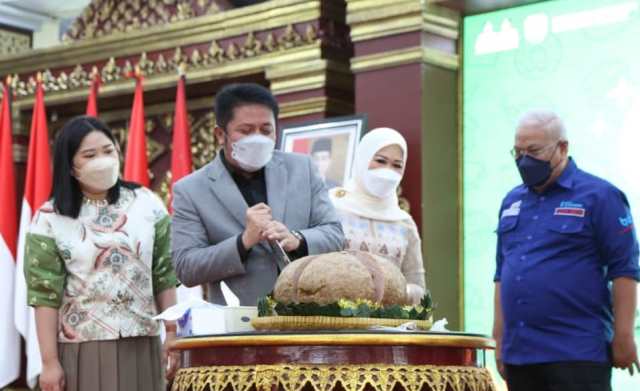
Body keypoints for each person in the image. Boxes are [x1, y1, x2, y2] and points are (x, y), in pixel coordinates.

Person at [24, 116, 180, 391]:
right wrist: (49, 362)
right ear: (71, 167)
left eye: (108, 151)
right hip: (82, 346)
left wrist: (171, 334)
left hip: (142, 341)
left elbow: (164, 274)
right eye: (90, 154)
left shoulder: (147, 203)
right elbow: (45, 296)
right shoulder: (49, 217)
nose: (103, 160)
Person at [493, 110, 640, 391]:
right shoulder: (512, 201)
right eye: (518, 151)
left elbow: (625, 270)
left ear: (562, 148)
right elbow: (502, 274)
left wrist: (624, 336)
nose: (524, 160)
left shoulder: (601, 196)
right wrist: (499, 339)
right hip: (521, 354)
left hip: (577, 352)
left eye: (534, 150)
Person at [171, 83, 344, 306]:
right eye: (245, 131)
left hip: (308, 314)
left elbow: (335, 234)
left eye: (266, 130)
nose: (258, 138)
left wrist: (297, 239)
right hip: (239, 324)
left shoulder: (302, 169)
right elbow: (186, 267)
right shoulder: (191, 189)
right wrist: (243, 242)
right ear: (220, 134)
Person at [329, 127, 426, 304]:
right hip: (337, 321)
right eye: (381, 161)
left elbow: (417, 283)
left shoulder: (404, 223)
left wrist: (401, 292)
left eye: (397, 165)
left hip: (391, 325)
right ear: (362, 158)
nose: (388, 171)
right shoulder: (332, 207)